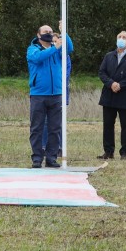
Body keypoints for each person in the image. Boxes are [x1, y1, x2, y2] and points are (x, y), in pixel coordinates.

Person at [27, 23, 74, 169]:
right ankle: (36, 158)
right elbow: (39, 58)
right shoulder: (33, 49)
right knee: (37, 128)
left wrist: (63, 32)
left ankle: (51, 158)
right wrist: (55, 48)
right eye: (45, 31)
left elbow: (70, 48)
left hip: (56, 94)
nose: (49, 33)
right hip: (38, 95)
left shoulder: (58, 50)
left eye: (51, 31)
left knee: (55, 128)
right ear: (38, 35)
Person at [97, 31, 126, 161]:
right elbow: (102, 72)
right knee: (108, 125)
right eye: (119, 37)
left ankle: (125, 153)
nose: (121, 39)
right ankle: (108, 151)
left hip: (125, 96)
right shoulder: (109, 56)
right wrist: (111, 84)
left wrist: (120, 85)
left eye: (124, 37)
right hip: (109, 95)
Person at [41, 29, 71, 158]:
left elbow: (65, 73)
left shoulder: (64, 56)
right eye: (52, 41)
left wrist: (63, 31)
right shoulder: (44, 53)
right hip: (46, 93)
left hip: (60, 93)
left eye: (56, 41)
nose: (54, 43)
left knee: (58, 122)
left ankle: (59, 147)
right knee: (45, 122)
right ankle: (44, 146)